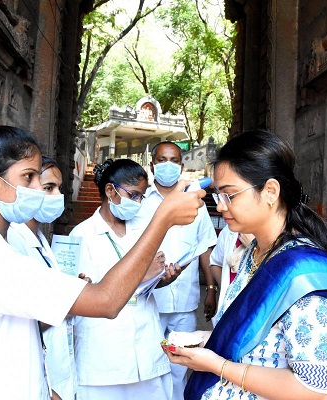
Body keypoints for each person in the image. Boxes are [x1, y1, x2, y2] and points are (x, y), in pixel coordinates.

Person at [0, 125, 205, 399]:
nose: (39, 189)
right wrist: (162, 220)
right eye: (29, 177)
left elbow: (16, 339)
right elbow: (105, 301)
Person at [163, 130, 327, 400]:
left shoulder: (308, 274)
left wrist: (216, 365)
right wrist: (206, 343)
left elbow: (317, 390)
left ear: (271, 191)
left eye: (230, 195)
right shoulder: (255, 252)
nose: (221, 207)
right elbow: (257, 344)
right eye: (218, 197)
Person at [70, 158, 182, 400]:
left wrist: (163, 278)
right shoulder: (82, 235)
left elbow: (153, 277)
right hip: (103, 359)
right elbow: (89, 294)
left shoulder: (143, 230)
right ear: (110, 190)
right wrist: (143, 275)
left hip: (147, 353)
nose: (138, 203)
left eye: (141, 196)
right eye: (133, 195)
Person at [130, 141, 218, 400]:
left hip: (184, 301)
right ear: (151, 164)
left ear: (181, 166)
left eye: (174, 160)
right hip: (149, 299)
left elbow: (205, 248)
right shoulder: (139, 202)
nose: (167, 165)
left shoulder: (196, 204)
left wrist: (211, 289)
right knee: (148, 365)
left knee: (181, 367)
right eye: (161, 159)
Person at [6, 156, 76, 400]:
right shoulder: (13, 241)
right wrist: (71, 301)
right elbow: (23, 322)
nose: (57, 195)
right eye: (49, 188)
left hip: (56, 363)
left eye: (59, 188)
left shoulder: (41, 239)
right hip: (34, 371)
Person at [208, 225, 254, 327]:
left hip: (253, 315)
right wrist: (229, 291)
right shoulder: (229, 231)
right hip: (229, 313)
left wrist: (254, 248)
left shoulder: (275, 233)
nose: (221, 208)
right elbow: (215, 262)